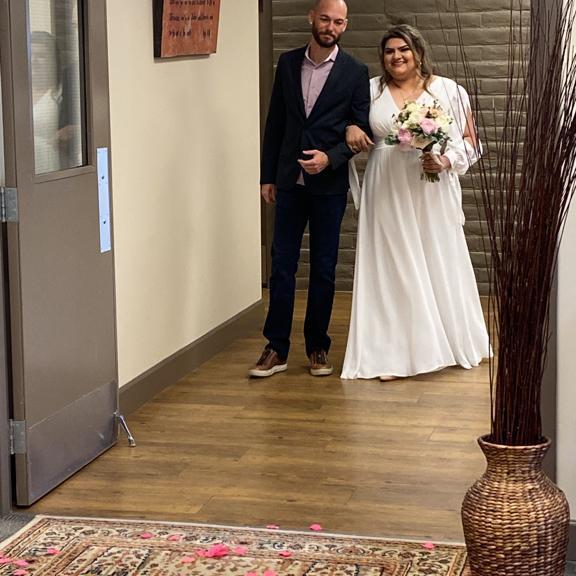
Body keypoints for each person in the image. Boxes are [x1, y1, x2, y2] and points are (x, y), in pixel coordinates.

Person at [341, 24, 490, 381]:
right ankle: (395, 353)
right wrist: (351, 128)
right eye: (389, 51)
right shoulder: (371, 90)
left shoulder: (448, 90)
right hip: (386, 185)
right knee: (392, 265)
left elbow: (472, 141)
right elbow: (350, 123)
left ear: (418, 52)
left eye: (403, 49)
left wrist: (445, 160)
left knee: (437, 256)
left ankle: (450, 340)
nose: (397, 56)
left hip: (430, 187)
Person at [249, 0, 371, 378]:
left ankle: (318, 346)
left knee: (323, 268)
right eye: (325, 19)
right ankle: (276, 348)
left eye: (338, 22)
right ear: (312, 18)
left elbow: (361, 130)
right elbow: (276, 122)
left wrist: (330, 158)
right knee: (282, 266)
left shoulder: (355, 72)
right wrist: (267, 175)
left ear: (345, 26)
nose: (330, 27)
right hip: (289, 182)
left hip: (328, 185)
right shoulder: (287, 63)